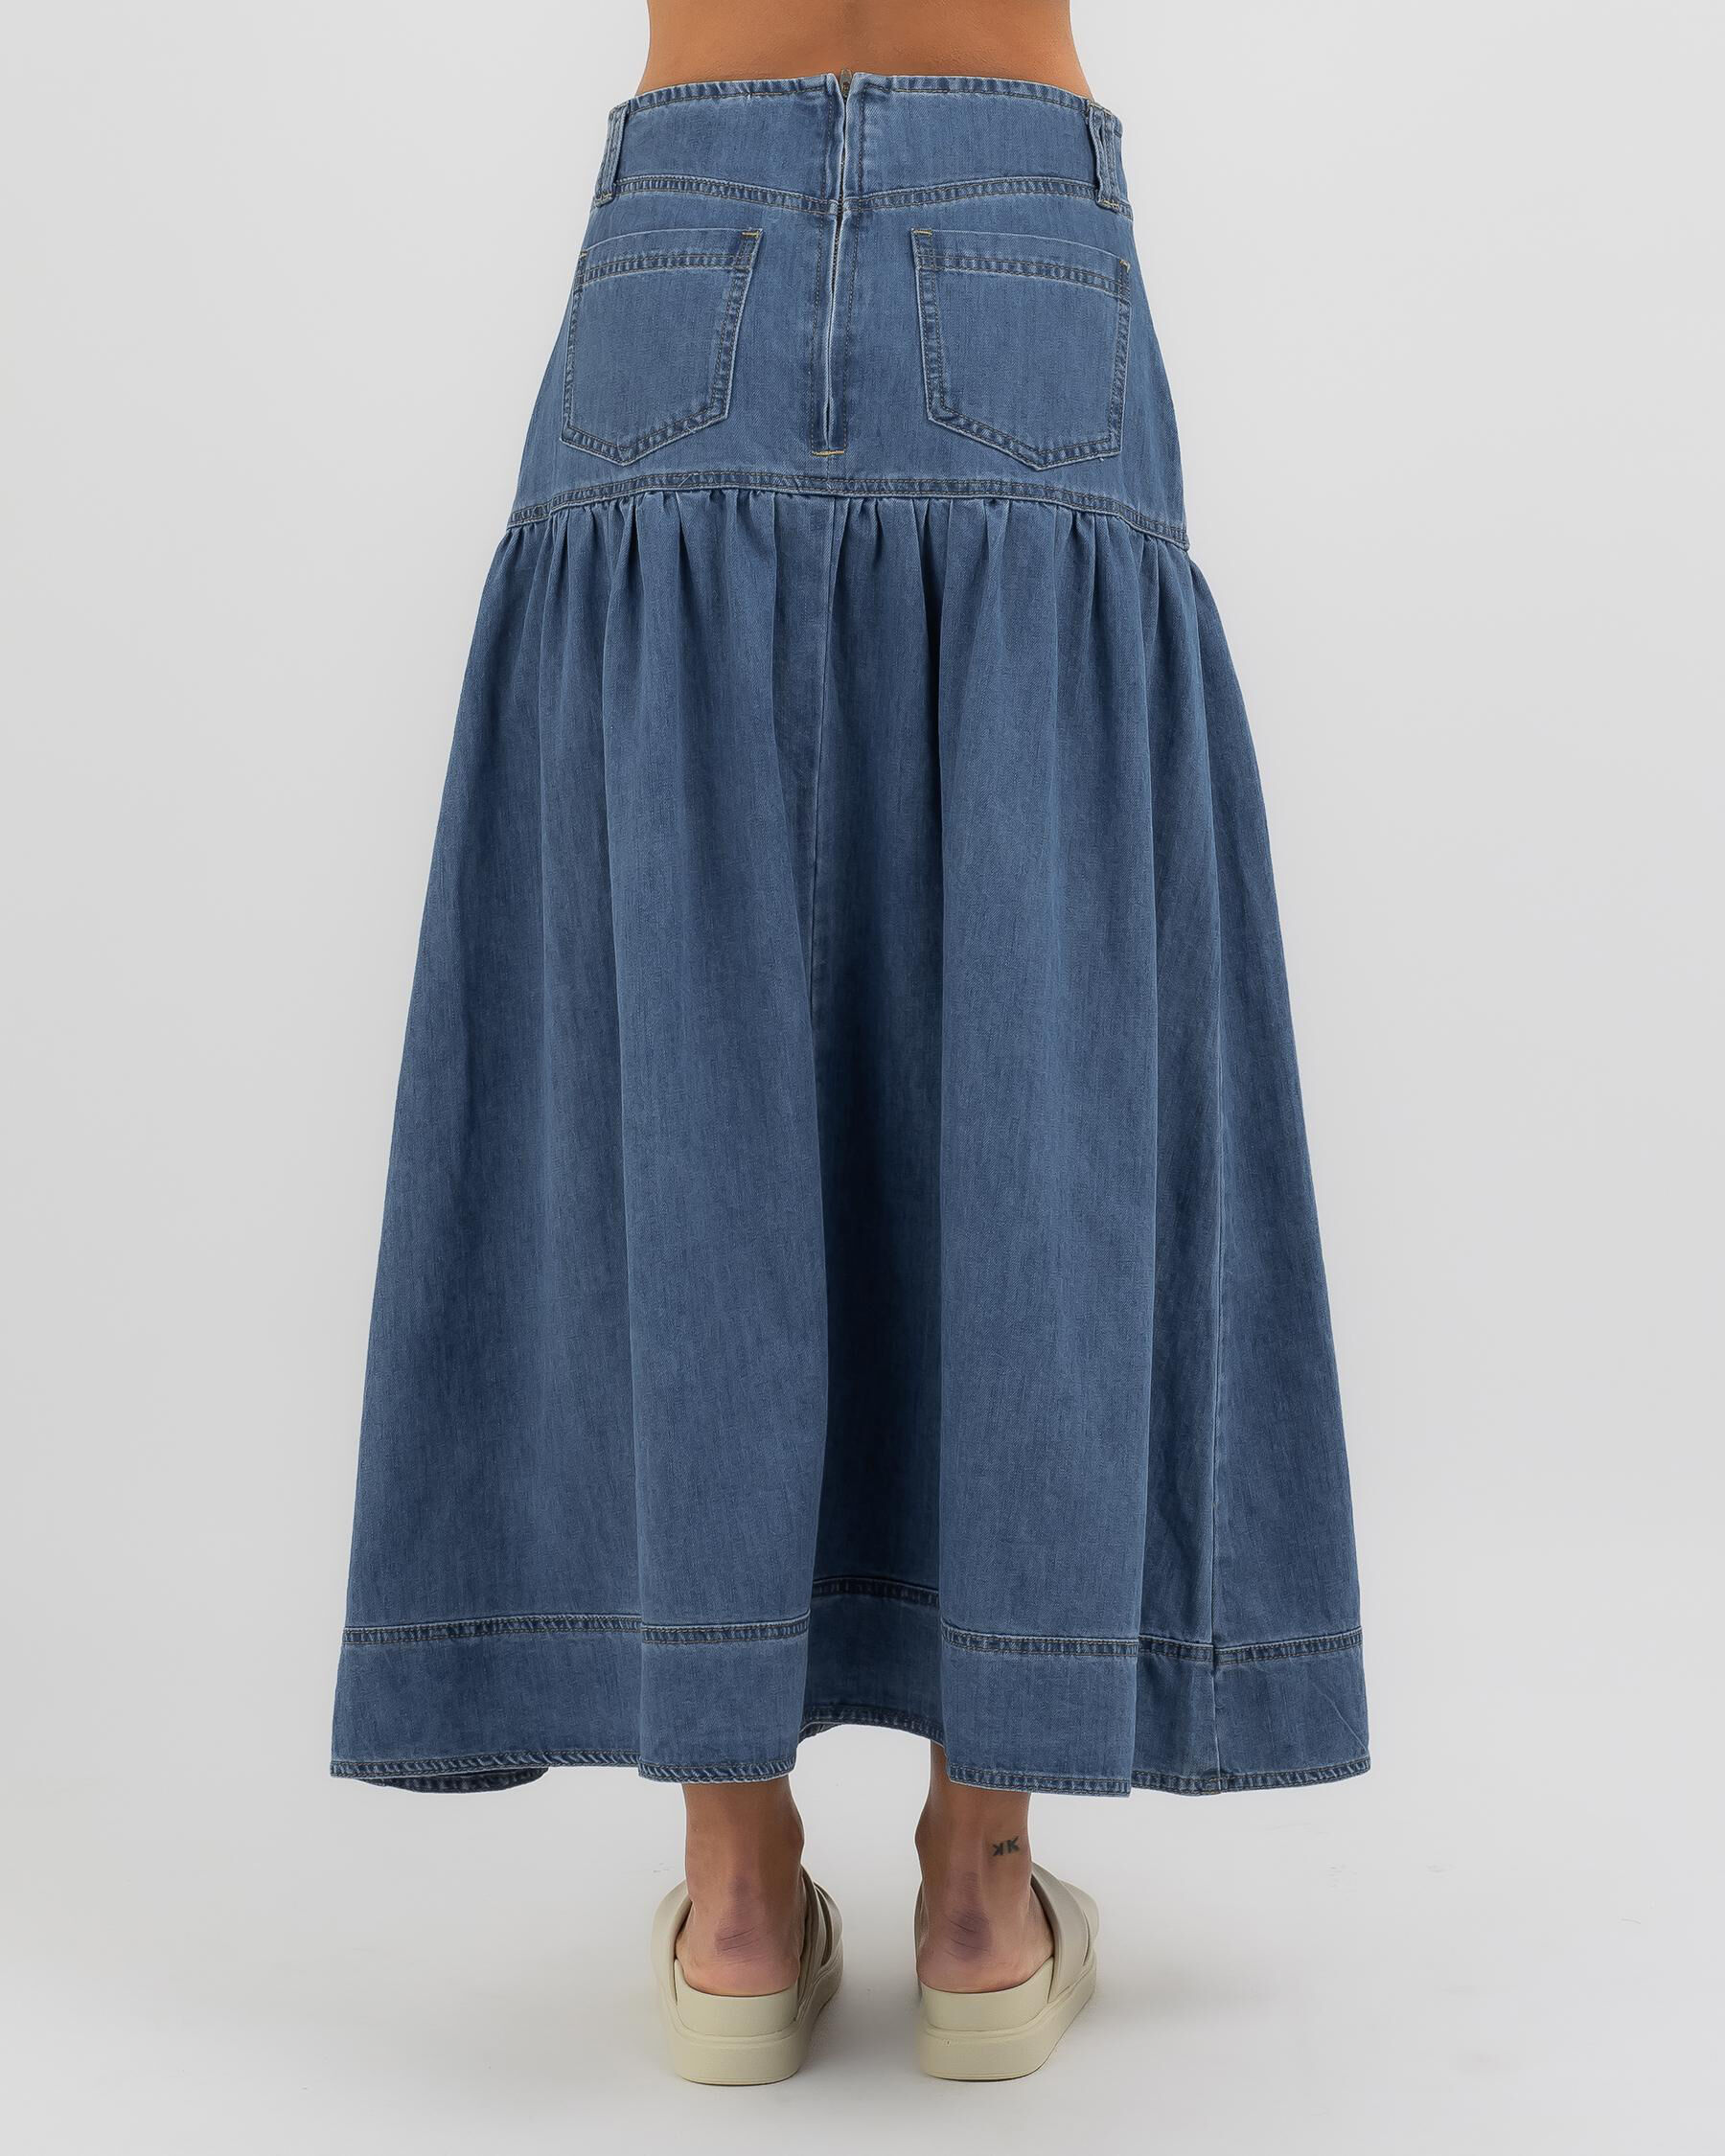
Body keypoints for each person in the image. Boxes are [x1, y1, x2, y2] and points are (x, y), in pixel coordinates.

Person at [333, 0, 1368, 2083]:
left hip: (685, 241)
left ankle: (735, 1899)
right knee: (1041, 1044)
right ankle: (982, 1893)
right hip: (1020, 245)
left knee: (681, 1040)